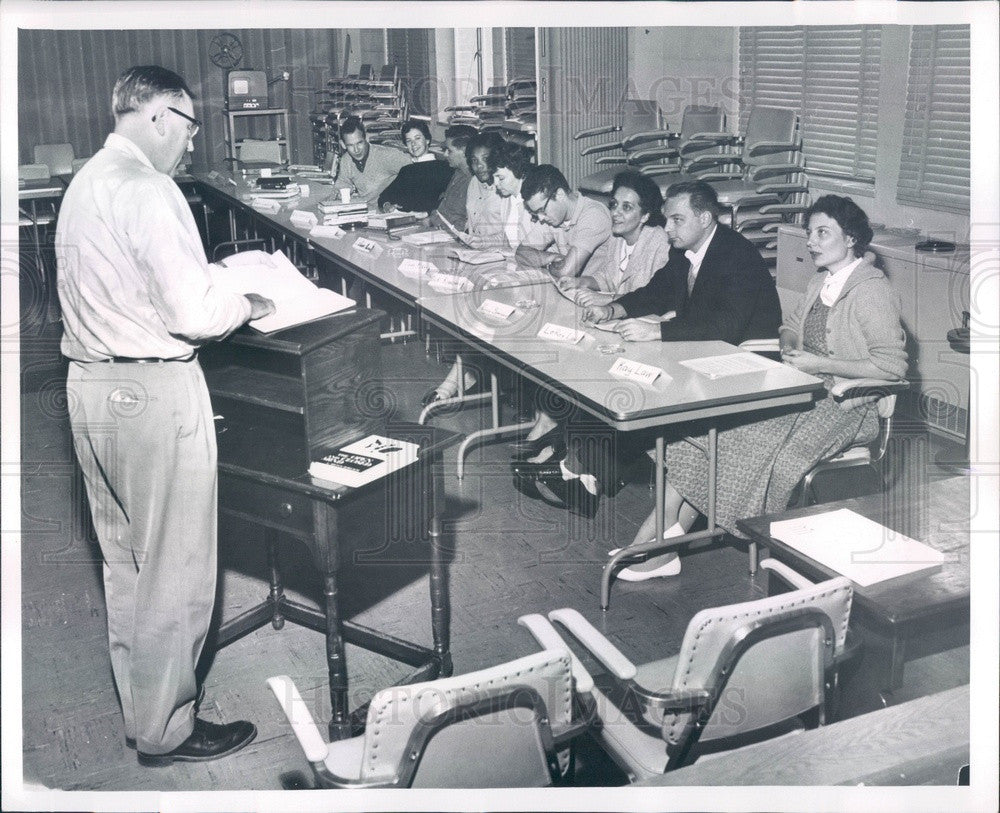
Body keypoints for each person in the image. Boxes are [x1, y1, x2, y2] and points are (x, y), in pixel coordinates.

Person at [56, 66, 274, 765]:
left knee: (126, 565)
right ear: (157, 116)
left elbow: (131, 283)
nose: (191, 142)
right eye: (188, 125)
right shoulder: (151, 189)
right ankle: (170, 725)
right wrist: (247, 301)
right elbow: (191, 313)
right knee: (176, 569)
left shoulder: (87, 181)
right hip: (154, 392)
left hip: (90, 388)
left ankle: (142, 712)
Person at [617, 195, 907, 581]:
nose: (812, 241)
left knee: (736, 443)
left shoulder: (872, 291)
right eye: (809, 232)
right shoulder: (822, 280)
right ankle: (661, 541)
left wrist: (819, 364)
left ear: (851, 238)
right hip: (805, 391)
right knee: (708, 434)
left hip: (848, 407)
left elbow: (891, 367)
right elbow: (791, 325)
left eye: (823, 233)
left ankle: (657, 544)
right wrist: (788, 340)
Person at [514, 180, 781, 523]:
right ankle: (580, 469)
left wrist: (656, 330)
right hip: (706, 351)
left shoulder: (736, 254)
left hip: (744, 364)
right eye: (667, 219)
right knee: (616, 375)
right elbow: (658, 291)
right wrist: (614, 310)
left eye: (677, 220)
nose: (667, 228)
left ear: (705, 218)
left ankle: (584, 472)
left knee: (637, 389)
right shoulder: (687, 250)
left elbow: (726, 326)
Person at [422, 141, 540, 406]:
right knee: (472, 307)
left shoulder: (528, 203)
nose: (495, 185)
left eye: (500, 177)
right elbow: (511, 242)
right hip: (511, 269)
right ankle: (460, 380)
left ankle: (462, 382)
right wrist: (481, 243)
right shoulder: (511, 199)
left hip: (526, 277)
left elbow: (530, 250)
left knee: (481, 308)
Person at [512, 164, 613, 448]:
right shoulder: (555, 219)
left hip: (599, 309)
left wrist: (555, 262)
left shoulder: (592, 215)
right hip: (568, 304)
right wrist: (551, 260)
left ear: (558, 195)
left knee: (548, 349)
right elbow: (521, 252)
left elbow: (567, 271)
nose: (541, 219)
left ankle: (549, 429)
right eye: (535, 215)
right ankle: (546, 425)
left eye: (542, 211)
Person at [378, 119, 454, 213]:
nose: (413, 144)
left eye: (417, 138)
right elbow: (384, 197)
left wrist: (424, 214)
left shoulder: (443, 168)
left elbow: (447, 203)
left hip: (428, 222)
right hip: (404, 221)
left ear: (427, 140)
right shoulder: (407, 170)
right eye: (409, 141)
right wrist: (387, 205)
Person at [331, 115, 409, 205]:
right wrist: (339, 193)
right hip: (367, 210)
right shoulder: (346, 160)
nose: (356, 150)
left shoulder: (386, 155)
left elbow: (415, 170)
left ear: (366, 138)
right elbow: (342, 185)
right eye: (350, 145)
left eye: (359, 143)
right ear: (343, 144)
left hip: (390, 209)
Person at [429, 124, 478, 231]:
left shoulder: (474, 182)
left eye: (449, 150)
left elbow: (466, 225)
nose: (445, 154)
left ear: (465, 151)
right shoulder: (457, 173)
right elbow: (443, 210)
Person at [462, 130, 506, 246]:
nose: (479, 166)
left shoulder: (506, 189)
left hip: (501, 254)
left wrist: (481, 243)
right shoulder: (474, 182)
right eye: (474, 160)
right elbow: (471, 220)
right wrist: (465, 234)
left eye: (485, 159)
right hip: (474, 252)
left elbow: (511, 238)